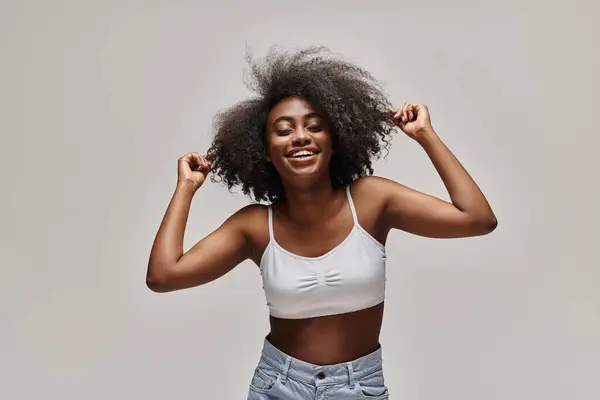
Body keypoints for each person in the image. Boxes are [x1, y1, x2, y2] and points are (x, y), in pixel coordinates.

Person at [146, 47, 497, 399]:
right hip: (278, 386)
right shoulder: (254, 226)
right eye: (284, 130)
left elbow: (477, 219)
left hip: (359, 387)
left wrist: (425, 135)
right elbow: (163, 276)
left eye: (315, 127)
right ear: (266, 150)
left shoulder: (371, 200)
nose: (300, 136)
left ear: (334, 141)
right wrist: (186, 188)